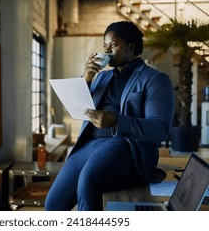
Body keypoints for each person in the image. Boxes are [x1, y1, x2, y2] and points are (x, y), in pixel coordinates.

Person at [44, 21, 175, 211]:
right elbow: (81, 106)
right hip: (90, 142)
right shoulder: (103, 77)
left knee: (88, 182)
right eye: (105, 46)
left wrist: (116, 121)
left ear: (131, 46)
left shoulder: (154, 79)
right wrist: (86, 80)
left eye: (113, 45)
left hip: (125, 145)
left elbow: (160, 129)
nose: (107, 51)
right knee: (53, 203)